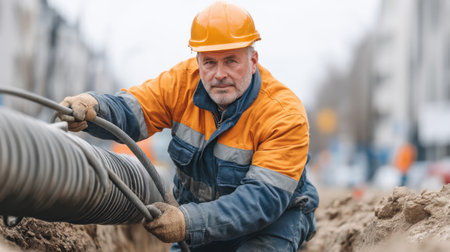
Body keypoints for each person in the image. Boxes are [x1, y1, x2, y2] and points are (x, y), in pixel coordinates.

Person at [58, 2, 319, 251]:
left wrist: (187, 222)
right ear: (198, 62)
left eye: (231, 61)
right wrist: (96, 106)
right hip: (201, 217)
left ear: (253, 61)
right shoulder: (182, 84)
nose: (219, 74)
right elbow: (134, 110)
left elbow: (262, 200)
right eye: (209, 62)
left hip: (271, 224)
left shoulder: (284, 115)